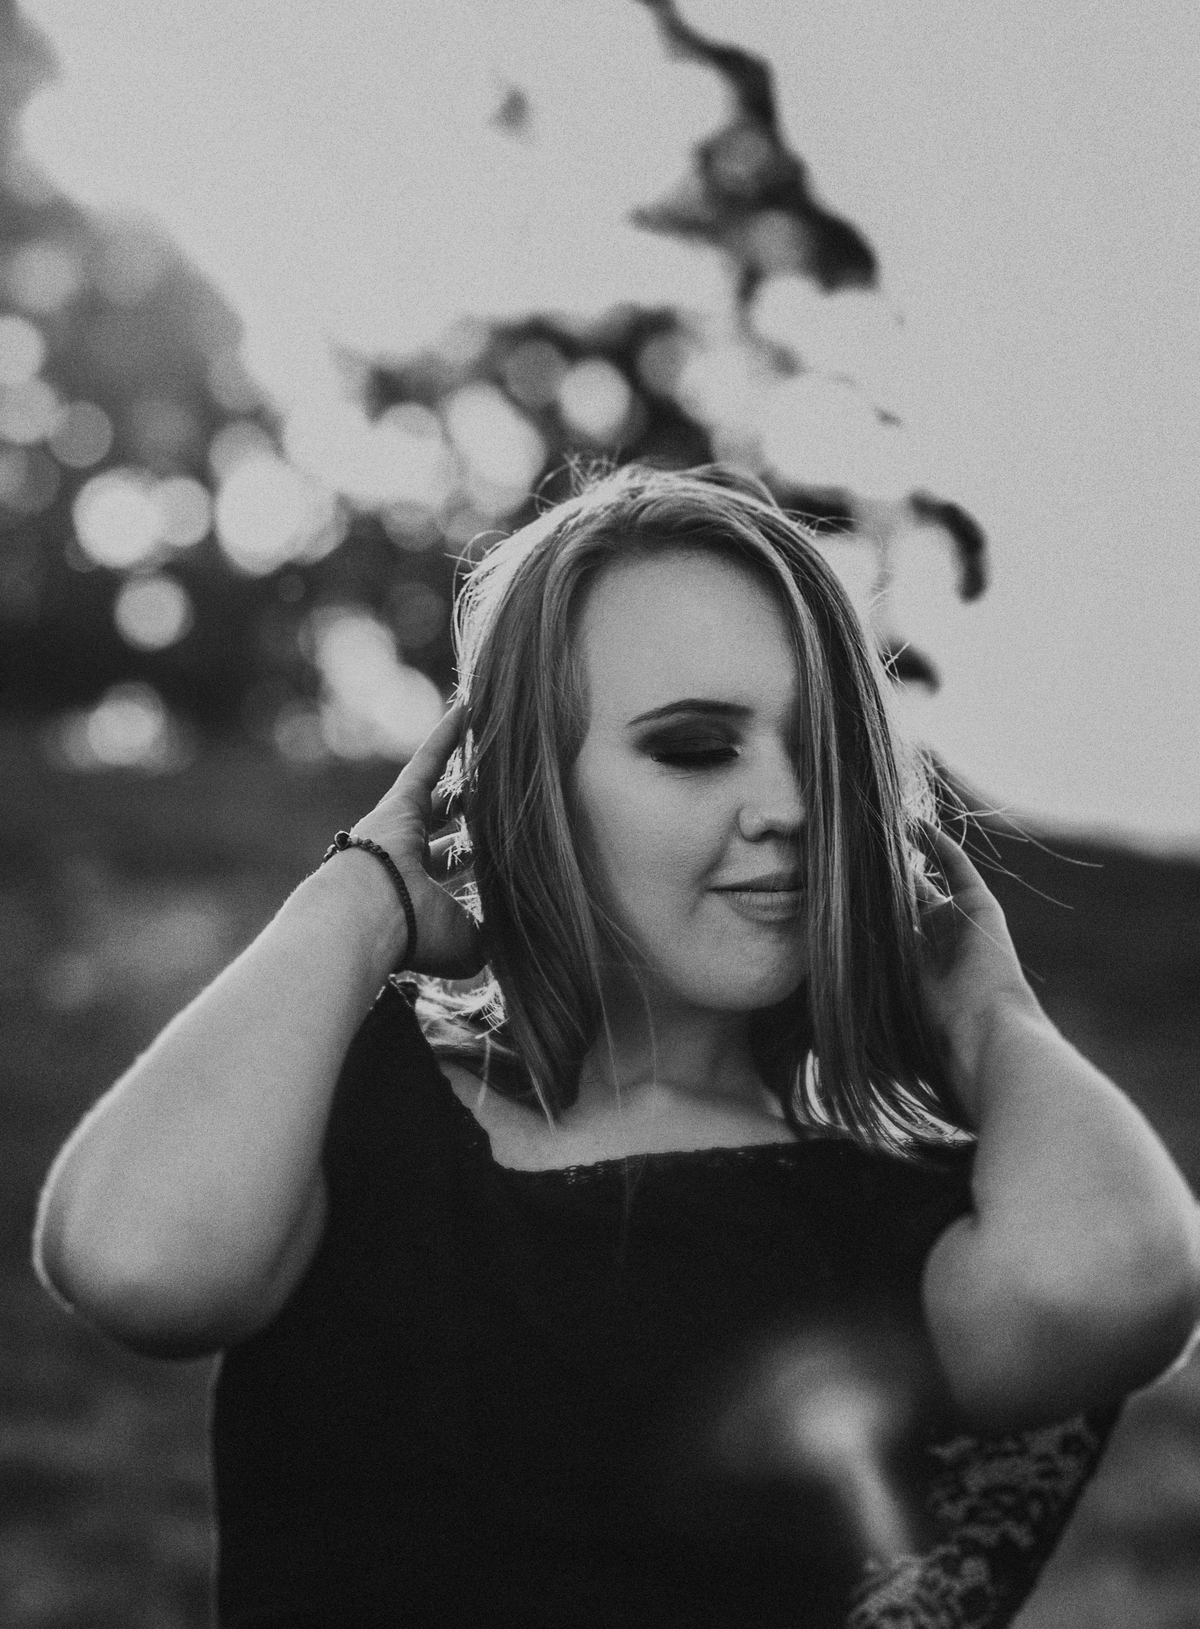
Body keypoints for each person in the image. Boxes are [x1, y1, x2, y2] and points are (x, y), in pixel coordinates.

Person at [34, 463, 1200, 1629]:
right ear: (530, 785)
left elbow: (1117, 1277)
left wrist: (989, 1013)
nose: (791, 806)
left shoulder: (876, 1207)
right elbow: (136, 1263)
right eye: (694, 748)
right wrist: (359, 897)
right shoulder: (359, 1103)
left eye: (824, 749)